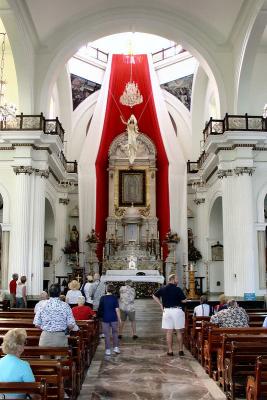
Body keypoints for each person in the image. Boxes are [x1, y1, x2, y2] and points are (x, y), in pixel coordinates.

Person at [33, 283, 78, 348]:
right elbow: (71, 324)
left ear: (48, 293)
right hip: (60, 337)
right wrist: (65, 330)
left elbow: (37, 323)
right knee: (61, 358)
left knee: (45, 358)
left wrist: (46, 328)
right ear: (60, 293)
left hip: (45, 337)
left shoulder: (42, 305)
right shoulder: (65, 305)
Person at [152, 274, 186, 356]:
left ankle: (170, 351)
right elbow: (184, 300)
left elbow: (154, 295)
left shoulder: (163, 288)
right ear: (173, 279)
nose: (177, 281)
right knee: (179, 331)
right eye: (177, 279)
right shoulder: (178, 289)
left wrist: (160, 304)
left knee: (169, 332)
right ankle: (180, 350)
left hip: (167, 311)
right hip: (177, 311)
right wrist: (185, 300)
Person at [0, 328, 35, 398]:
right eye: (24, 342)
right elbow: (33, 392)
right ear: (19, 347)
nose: (24, 345)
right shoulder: (24, 365)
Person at [98, 284, 121, 356]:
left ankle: (108, 350)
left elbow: (100, 308)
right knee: (115, 333)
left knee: (107, 334)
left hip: (105, 318)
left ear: (106, 289)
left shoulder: (102, 298)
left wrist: (99, 317)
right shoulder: (114, 298)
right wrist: (119, 318)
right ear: (113, 290)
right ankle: (116, 347)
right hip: (114, 318)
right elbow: (117, 309)